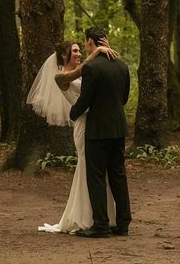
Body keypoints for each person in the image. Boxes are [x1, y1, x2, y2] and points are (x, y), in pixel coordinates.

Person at [26, 40, 117, 233]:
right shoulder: (61, 77)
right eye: (74, 51)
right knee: (87, 169)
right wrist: (97, 51)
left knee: (97, 171)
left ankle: (103, 216)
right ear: (64, 56)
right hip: (84, 127)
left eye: (79, 50)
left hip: (96, 125)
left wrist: (104, 51)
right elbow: (81, 72)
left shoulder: (86, 73)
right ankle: (84, 218)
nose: (78, 53)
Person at [70, 26, 132, 238]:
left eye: (85, 42)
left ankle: (101, 225)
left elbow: (85, 99)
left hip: (97, 129)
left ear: (90, 42)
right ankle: (123, 224)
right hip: (118, 127)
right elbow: (124, 98)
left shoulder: (91, 68)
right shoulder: (122, 66)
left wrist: (73, 113)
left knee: (96, 176)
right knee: (118, 174)